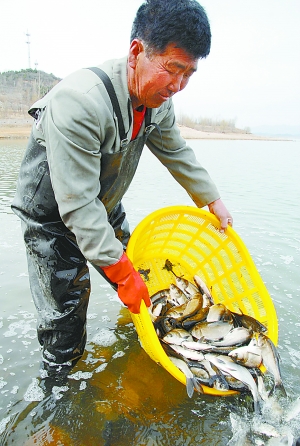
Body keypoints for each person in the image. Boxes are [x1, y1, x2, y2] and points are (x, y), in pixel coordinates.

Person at [12, 0, 233, 379]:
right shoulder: (80, 102)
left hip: (103, 202)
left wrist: (211, 199)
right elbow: (78, 205)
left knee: (144, 281)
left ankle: (143, 355)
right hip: (52, 218)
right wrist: (121, 273)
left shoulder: (158, 100)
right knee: (65, 322)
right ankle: (56, 401)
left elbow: (176, 150)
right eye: (173, 69)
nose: (178, 86)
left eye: (189, 74)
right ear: (137, 53)